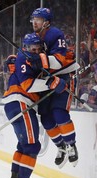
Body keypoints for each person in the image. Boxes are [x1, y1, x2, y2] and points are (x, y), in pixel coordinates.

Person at [2, 33, 67, 178]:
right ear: (25, 48)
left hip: (16, 103)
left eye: (39, 49)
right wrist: (51, 83)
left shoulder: (33, 60)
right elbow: (28, 85)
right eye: (33, 49)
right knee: (32, 146)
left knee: (23, 146)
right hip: (20, 101)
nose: (36, 51)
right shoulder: (22, 58)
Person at [30, 7, 79, 169]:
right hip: (46, 81)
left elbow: (58, 62)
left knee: (59, 113)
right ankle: (61, 146)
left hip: (61, 77)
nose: (34, 22)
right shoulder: (34, 37)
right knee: (46, 118)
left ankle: (71, 144)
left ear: (46, 22)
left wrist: (40, 59)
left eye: (38, 19)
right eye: (33, 19)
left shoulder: (55, 34)